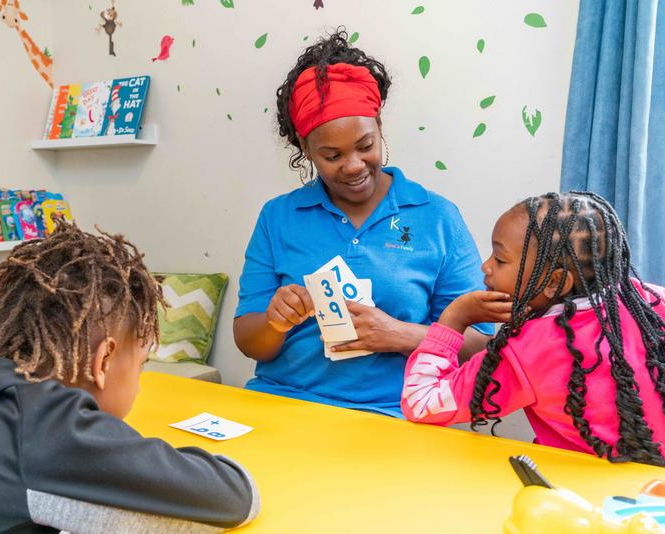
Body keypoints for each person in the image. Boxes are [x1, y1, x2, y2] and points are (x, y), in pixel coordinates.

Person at [0, 222, 259, 532]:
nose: (139, 382)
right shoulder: (46, 424)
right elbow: (235, 496)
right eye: (140, 366)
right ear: (104, 361)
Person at [233, 29, 492, 417]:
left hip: (393, 414)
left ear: (379, 127)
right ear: (305, 148)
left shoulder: (438, 218)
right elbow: (249, 341)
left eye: (365, 146)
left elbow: (480, 346)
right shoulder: (278, 217)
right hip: (282, 402)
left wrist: (399, 335)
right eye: (332, 155)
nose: (353, 166)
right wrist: (275, 321)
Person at [401, 192, 665, 466]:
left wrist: (454, 319)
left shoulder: (529, 349)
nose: (486, 266)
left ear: (554, 282)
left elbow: (421, 402)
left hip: (575, 487)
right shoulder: (651, 302)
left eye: (500, 260)